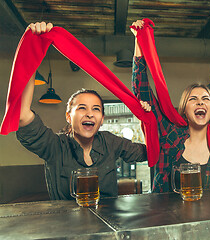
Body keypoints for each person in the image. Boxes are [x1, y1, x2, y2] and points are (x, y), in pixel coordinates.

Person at [16, 22, 150, 200]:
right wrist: (30, 48)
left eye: (96, 109)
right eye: (81, 108)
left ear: (101, 119)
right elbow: (23, 116)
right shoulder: (54, 146)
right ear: (68, 116)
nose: (89, 113)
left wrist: (145, 120)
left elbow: (148, 152)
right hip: (67, 226)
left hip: (109, 223)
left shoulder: (111, 142)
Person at [130, 20, 210, 193]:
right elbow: (141, 89)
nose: (200, 102)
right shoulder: (170, 134)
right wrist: (140, 40)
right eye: (193, 99)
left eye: (206, 99)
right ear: (184, 110)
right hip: (164, 217)